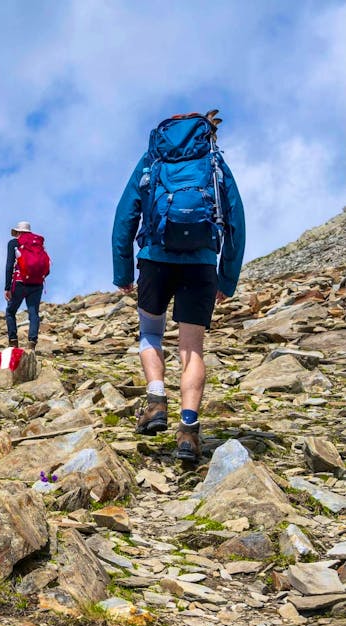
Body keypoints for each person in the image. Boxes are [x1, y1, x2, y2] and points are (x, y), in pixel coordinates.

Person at [112, 110, 245, 463]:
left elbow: (125, 215)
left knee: (150, 334)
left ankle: (156, 402)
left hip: (156, 260)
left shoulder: (152, 159)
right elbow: (235, 219)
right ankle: (188, 432)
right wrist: (226, 277)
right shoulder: (213, 163)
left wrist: (122, 271)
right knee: (192, 349)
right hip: (201, 264)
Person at [4, 221, 50, 350]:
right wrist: (37, 278)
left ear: (18, 232)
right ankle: (32, 343)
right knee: (33, 313)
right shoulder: (39, 243)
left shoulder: (14, 243)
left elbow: (9, 266)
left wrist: (7, 288)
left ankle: (13, 342)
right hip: (37, 284)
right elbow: (47, 268)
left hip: (20, 283)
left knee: (10, 311)